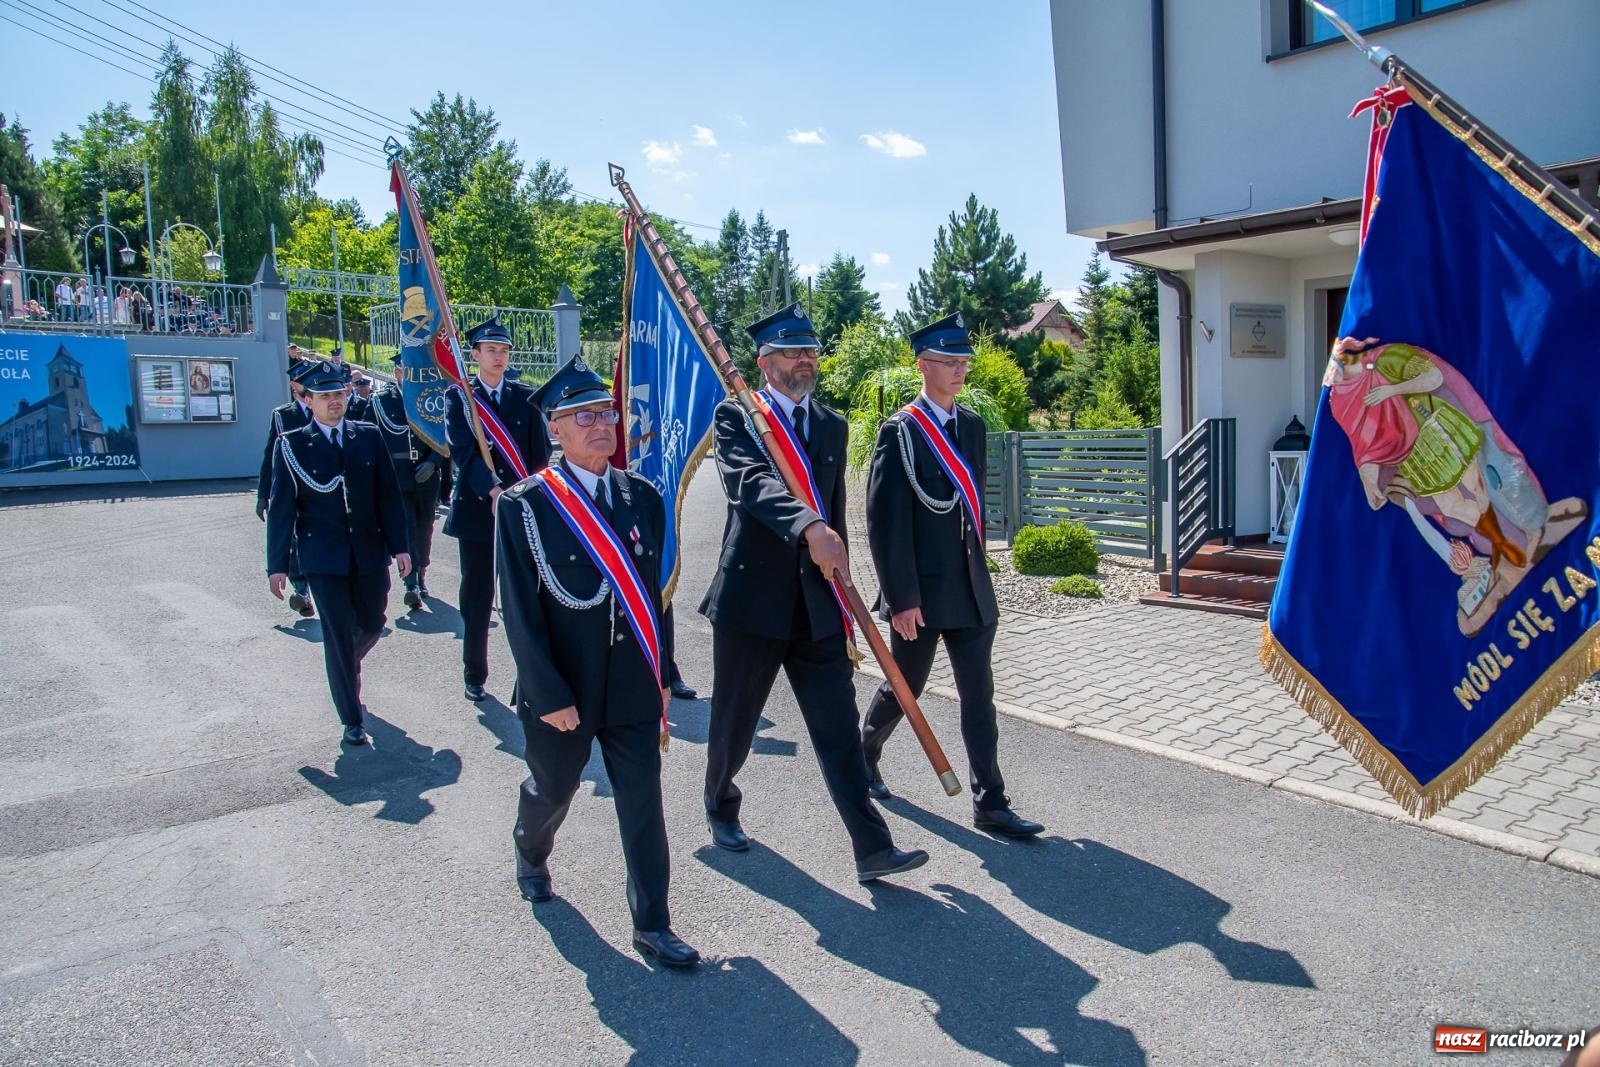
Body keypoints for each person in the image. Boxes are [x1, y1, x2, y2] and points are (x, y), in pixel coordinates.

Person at [699, 302, 928, 883]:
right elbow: (749, 484)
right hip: (752, 602)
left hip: (817, 601)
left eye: (810, 350)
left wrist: (844, 579)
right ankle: (720, 802)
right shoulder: (738, 417)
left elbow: (834, 515)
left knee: (837, 728)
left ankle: (872, 846)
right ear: (764, 362)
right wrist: (808, 526)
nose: (805, 360)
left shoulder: (831, 425)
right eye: (791, 351)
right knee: (735, 723)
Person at [497, 353, 698, 968]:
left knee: (643, 800)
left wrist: (663, 672)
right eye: (583, 416)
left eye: (606, 413)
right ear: (555, 428)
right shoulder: (525, 505)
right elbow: (520, 613)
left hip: (632, 680)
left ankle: (653, 923)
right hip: (565, 685)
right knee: (554, 787)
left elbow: (655, 597)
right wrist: (548, 693)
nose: (601, 425)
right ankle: (531, 848)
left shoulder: (642, 498)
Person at [860, 312, 1044, 839]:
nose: (960, 369)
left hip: (969, 588)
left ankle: (991, 802)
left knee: (979, 696)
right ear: (923, 365)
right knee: (906, 686)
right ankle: (863, 752)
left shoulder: (973, 427)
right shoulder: (900, 432)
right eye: (948, 361)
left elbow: (970, 511)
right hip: (920, 592)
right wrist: (901, 597)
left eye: (964, 361)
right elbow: (885, 522)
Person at [266, 360, 411, 745]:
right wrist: (277, 565)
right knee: (337, 632)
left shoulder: (368, 436)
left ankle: (344, 663)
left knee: (373, 621)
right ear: (308, 400)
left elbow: (388, 497)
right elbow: (282, 509)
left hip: (368, 551)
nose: (334, 401)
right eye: (325, 395)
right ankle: (351, 717)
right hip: (322, 556)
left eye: (339, 393)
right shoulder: (292, 444)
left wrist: (400, 546)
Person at [444, 314, 551, 703]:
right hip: (478, 512)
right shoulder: (460, 397)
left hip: (521, 510)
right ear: (474, 354)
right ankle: (475, 672)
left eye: (504, 350)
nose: (498, 357)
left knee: (529, 597)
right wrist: (491, 490)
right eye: (491, 350)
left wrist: (528, 495)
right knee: (477, 597)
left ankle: (534, 677)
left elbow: (539, 454)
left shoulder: (525, 396)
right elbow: (463, 451)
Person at [369, 366, 441, 609]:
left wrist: (433, 461)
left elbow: (444, 434)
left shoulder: (430, 399)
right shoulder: (381, 401)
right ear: (397, 372)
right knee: (406, 526)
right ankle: (411, 583)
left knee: (425, 527)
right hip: (396, 474)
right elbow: (368, 435)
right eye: (406, 370)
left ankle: (421, 571)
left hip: (426, 475)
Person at [257, 359, 320, 617]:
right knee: (293, 538)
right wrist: (263, 494)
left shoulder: (326, 409)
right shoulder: (283, 415)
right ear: (294, 385)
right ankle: (301, 590)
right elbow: (270, 457)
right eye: (303, 381)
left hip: (324, 488)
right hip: (294, 487)